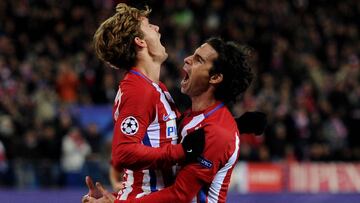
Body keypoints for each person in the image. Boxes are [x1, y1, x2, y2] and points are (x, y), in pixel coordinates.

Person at [85, 37, 255, 203]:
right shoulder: (191, 116)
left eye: (199, 60)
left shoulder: (217, 132)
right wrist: (117, 197)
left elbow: (180, 195)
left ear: (215, 78)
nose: (187, 59)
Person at [84, 3, 207, 202]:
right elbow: (124, 152)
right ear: (140, 41)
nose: (157, 28)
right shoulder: (138, 90)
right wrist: (180, 152)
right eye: (149, 26)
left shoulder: (155, 87)